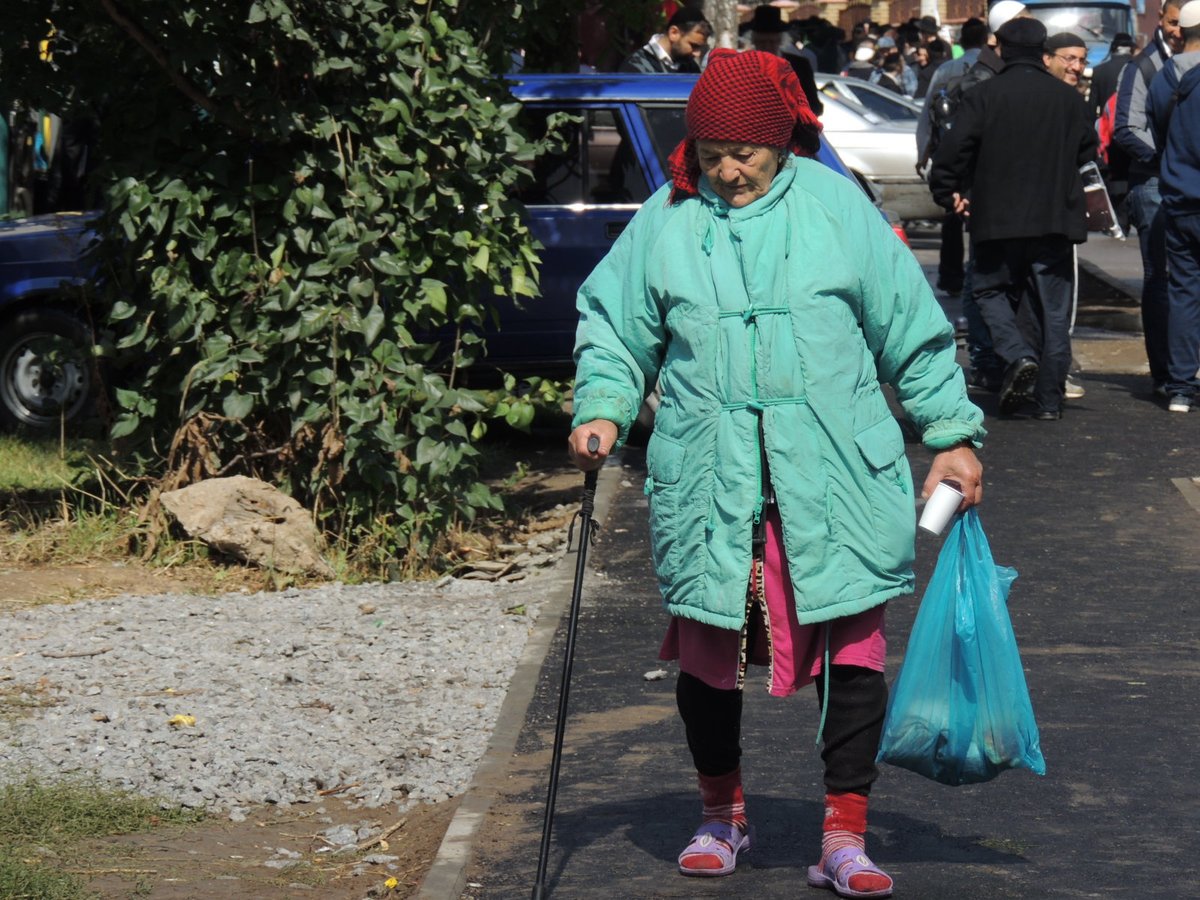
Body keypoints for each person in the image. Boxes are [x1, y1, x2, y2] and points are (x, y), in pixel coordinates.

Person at [567, 47, 985, 898]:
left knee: (852, 654)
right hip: (711, 479)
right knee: (709, 658)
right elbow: (615, 325)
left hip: (831, 475)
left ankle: (844, 832)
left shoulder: (838, 208)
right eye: (712, 151)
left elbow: (910, 326)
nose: (727, 170)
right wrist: (603, 405)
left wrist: (951, 431)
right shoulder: (669, 217)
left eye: (745, 153)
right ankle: (722, 814)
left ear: (782, 140)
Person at [929, 17, 1098, 421]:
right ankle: (1049, 401)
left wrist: (947, 191)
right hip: (1056, 218)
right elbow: (1089, 153)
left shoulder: (985, 96)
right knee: (1052, 311)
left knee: (990, 292)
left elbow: (953, 151)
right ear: (1043, 52)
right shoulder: (1070, 100)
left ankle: (1017, 354)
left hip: (997, 219)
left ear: (1000, 48)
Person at [1113, 0, 1185, 397]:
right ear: (1161, 17)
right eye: (1174, 22)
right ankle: (1165, 372)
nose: (1179, 31)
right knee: (1161, 277)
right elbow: (1125, 128)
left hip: (1186, 182)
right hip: (1155, 183)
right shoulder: (1143, 66)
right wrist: (1167, 158)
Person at [1146, 0, 1200, 413]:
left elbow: (1160, 131)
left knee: (1183, 293)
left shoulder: (1168, 74)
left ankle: (1180, 386)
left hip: (1179, 198)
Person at [619, 7, 712, 74]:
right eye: (693, 46)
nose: (697, 54)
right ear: (674, 33)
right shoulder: (636, 67)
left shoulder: (690, 67)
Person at [1088, 32, 1138, 118]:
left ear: (1112, 48)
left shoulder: (1098, 71)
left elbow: (1092, 108)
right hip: (1134, 127)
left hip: (1107, 127)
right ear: (1132, 49)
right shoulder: (1141, 69)